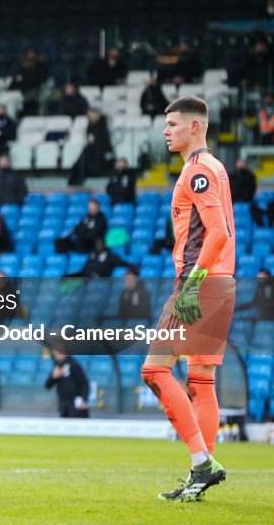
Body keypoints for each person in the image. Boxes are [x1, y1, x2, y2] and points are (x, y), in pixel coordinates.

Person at [144, 96, 235, 501]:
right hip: (222, 282)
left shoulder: (197, 170)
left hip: (199, 282)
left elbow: (217, 233)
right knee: (200, 381)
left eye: (174, 124)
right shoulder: (214, 168)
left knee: (155, 370)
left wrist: (193, 282)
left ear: (196, 127)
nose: (167, 130)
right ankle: (201, 479)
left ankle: (202, 462)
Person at [68, 108, 113, 186]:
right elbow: (90, 139)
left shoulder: (102, 126)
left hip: (98, 152)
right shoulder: (90, 125)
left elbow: (102, 140)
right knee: (80, 163)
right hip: (91, 149)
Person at [44, 349, 89, 418]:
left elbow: (84, 383)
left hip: (76, 405)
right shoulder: (57, 366)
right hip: (63, 405)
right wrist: (53, 377)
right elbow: (47, 386)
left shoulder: (74, 364)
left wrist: (84, 399)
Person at [8, 49, 51, 115]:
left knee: (20, 100)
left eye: (32, 54)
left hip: (35, 89)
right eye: (29, 54)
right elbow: (17, 78)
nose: (30, 56)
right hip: (22, 89)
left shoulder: (41, 66)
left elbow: (42, 79)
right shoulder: (23, 66)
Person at [69, 239, 140, 278]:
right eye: (97, 244)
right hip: (85, 274)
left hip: (96, 277)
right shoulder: (92, 254)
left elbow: (122, 262)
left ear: (104, 245)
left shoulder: (110, 256)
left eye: (100, 244)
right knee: (66, 278)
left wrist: (133, 266)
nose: (98, 246)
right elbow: (85, 266)